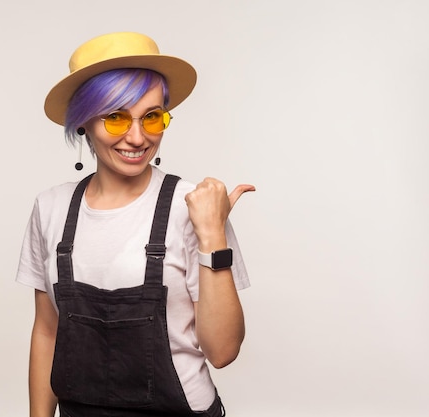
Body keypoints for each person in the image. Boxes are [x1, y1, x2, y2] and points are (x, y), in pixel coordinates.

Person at [16, 32, 255, 417]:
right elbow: (47, 331)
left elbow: (223, 351)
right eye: (115, 118)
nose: (137, 137)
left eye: (152, 117)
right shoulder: (51, 208)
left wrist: (212, 235)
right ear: (83, 123)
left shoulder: (195, 207)